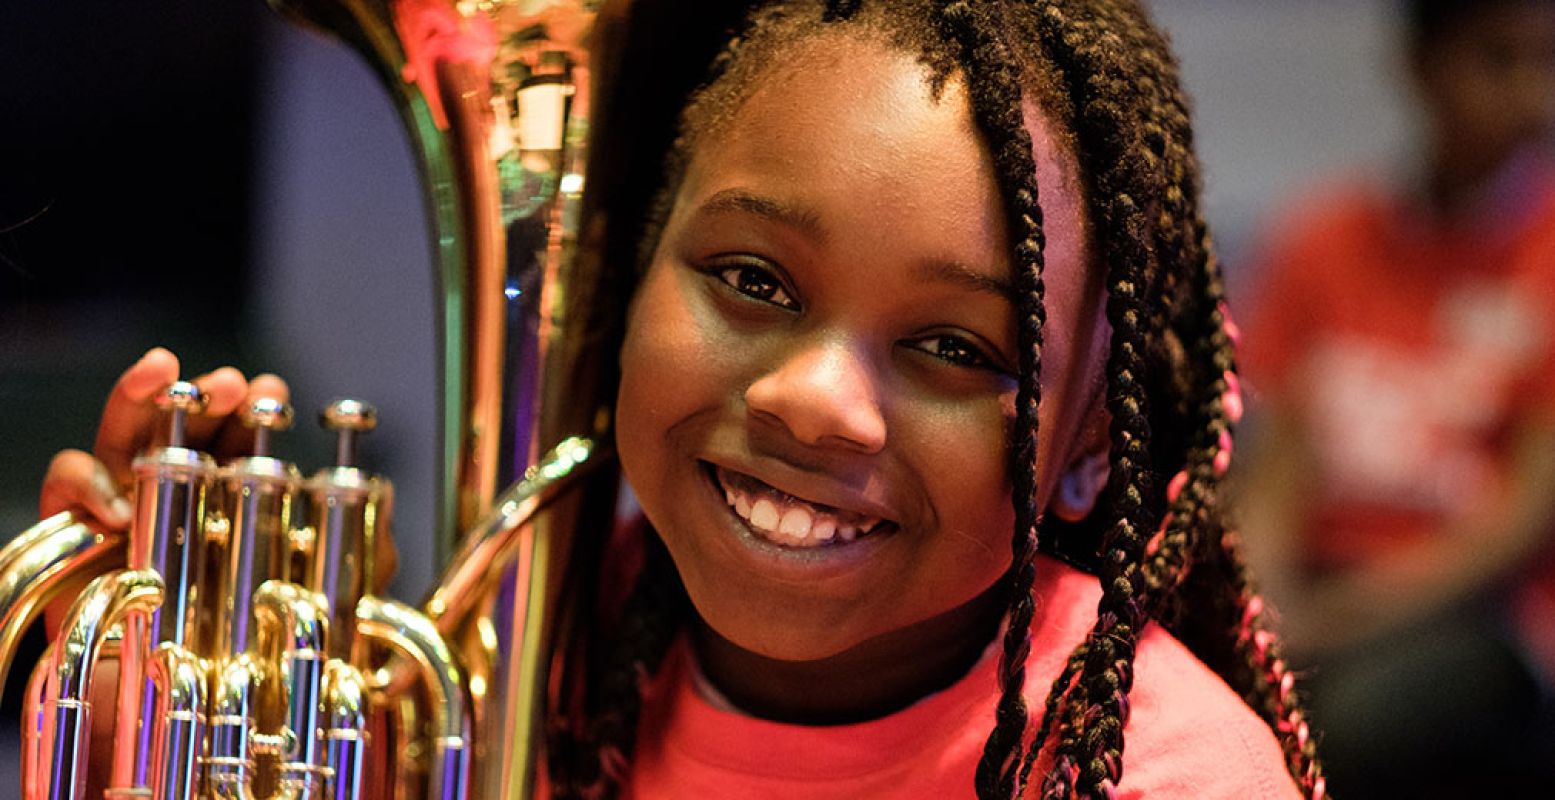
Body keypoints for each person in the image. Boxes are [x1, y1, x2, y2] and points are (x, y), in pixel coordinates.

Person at [40, 1, 1321, 797]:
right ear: (631, 279)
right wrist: (155, 721)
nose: (817, 402)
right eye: (753, 276)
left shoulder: (1161, 775)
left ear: (1090, 445)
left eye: (953, 345)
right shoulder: (532, 659)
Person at [1237, 0, 1555, 796]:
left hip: (1487, 616)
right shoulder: (1326, 239)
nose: (1532, 96)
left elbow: (1516, 524)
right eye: (1498, 59)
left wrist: (1332, 623)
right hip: (1321, 580)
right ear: (1421, 66)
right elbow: (1278, 474)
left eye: (1547, 62)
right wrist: (1260, 602)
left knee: (1345, 731)